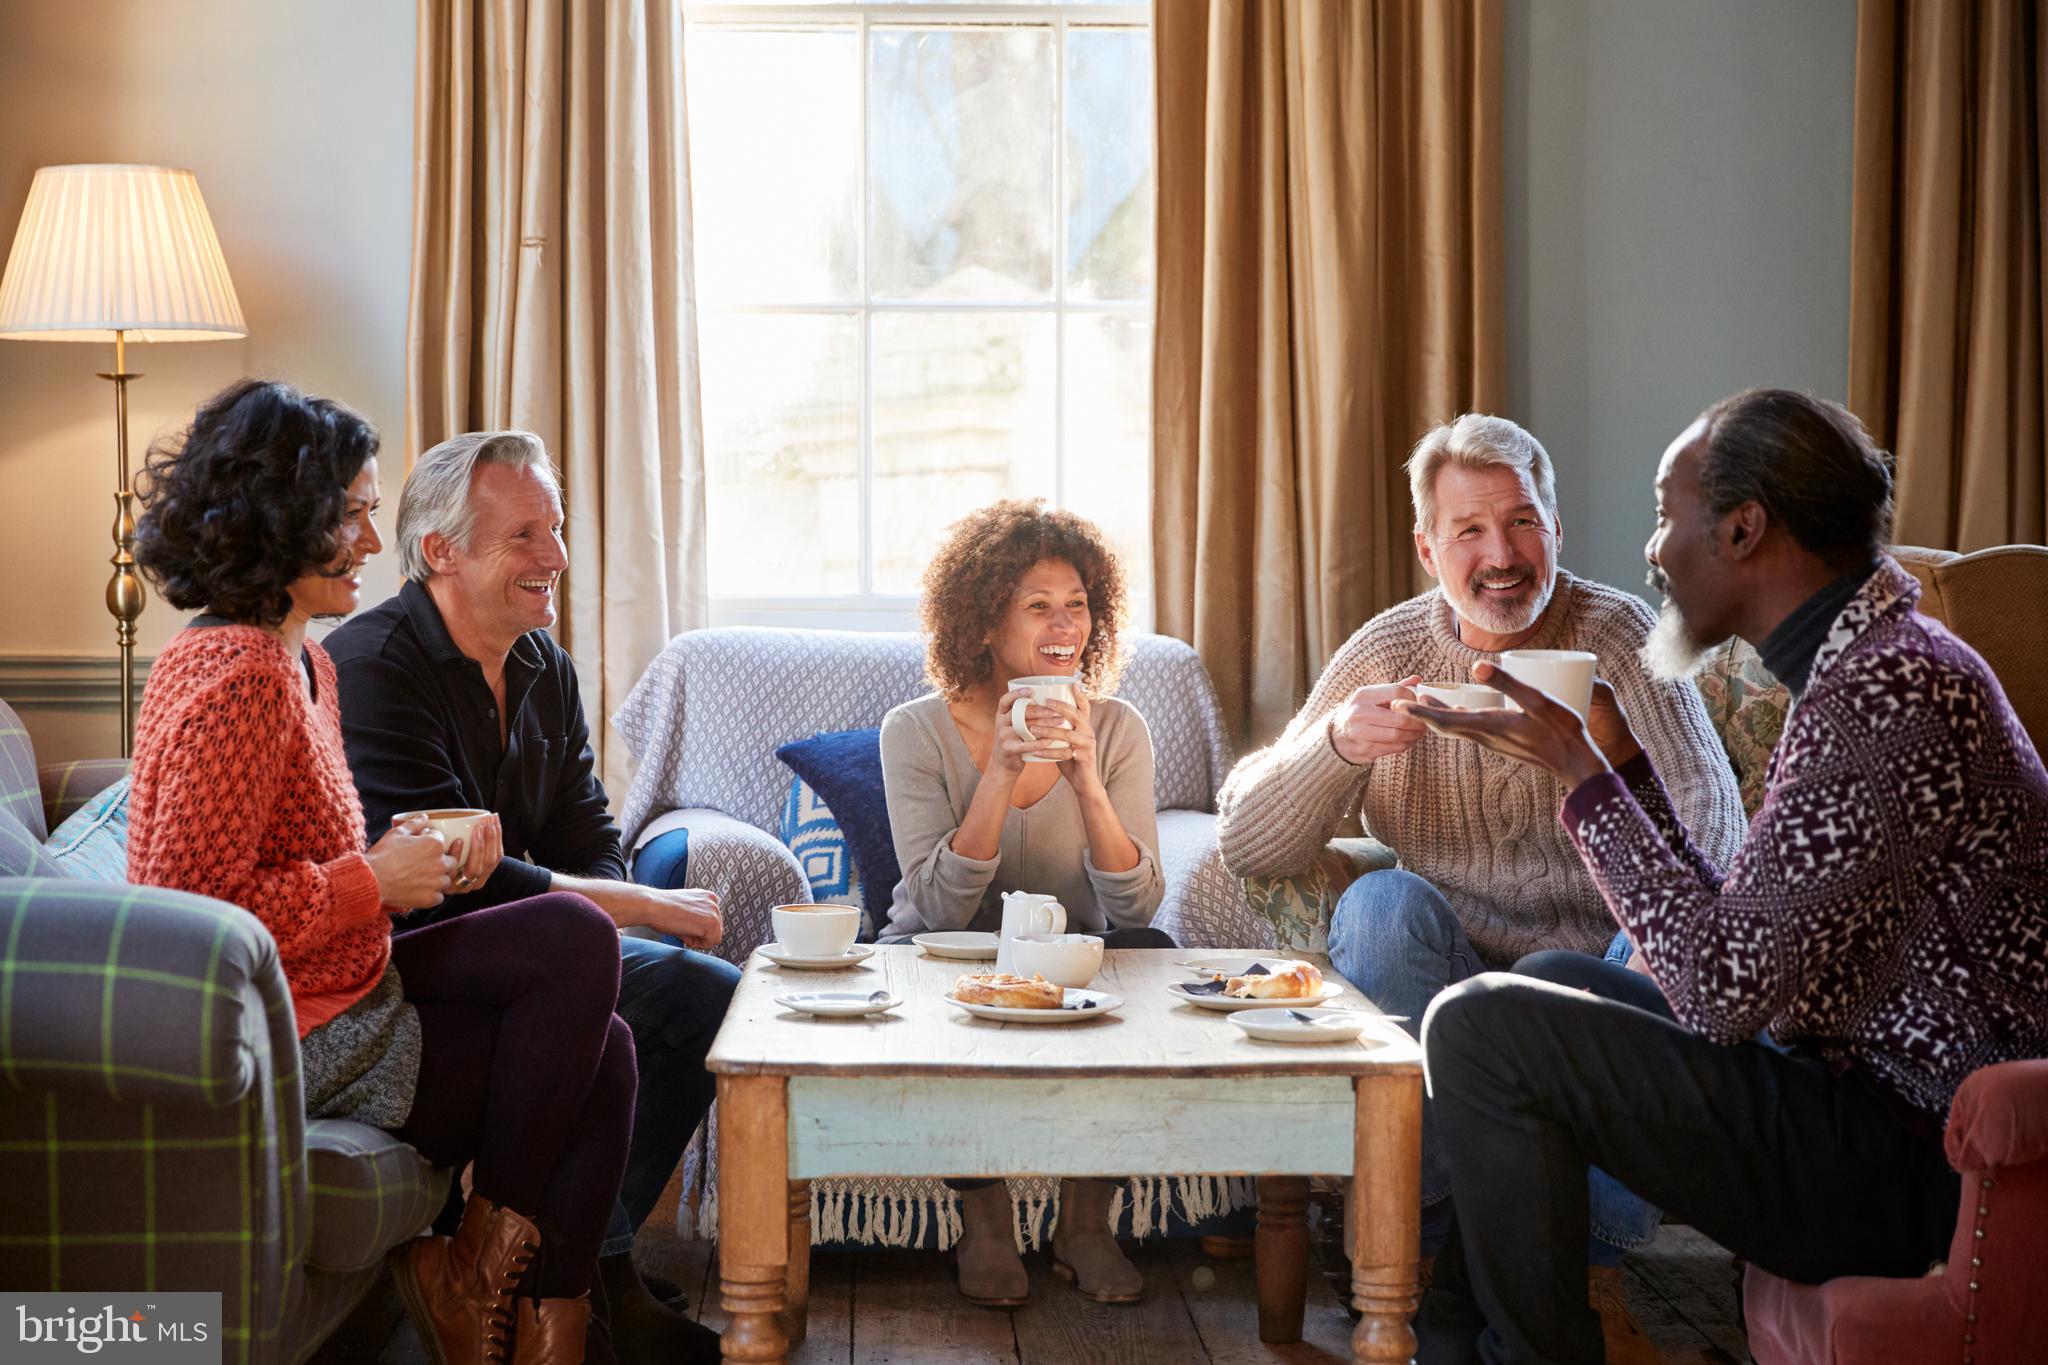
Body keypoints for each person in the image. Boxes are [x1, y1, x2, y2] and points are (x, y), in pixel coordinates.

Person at [1406, 388, 2048, 1363]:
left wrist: (1583, 779)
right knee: (1543, 981)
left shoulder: (1885, 693)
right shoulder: (1867, 665)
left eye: (1669, 516)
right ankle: (1451, 1338)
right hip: (1858, 1099)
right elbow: (1745, 936)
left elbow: (1718, 993)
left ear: (1744, 529)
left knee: (1477, 1023)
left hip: (1913, 1156)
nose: (1655, 550)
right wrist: (1619, 766)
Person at [127, 379, 631, 1365]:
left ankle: (533, 1322)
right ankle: (488, 1288)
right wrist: (372, 882)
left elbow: (300, 856)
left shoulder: (301, 662)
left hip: (342, 986)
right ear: (285, 518)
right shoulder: (236, 678)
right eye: (351, 512)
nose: (370, 540)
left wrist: (414, 846)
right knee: (577, 954)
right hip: (289, 1036)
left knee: (598, 1024)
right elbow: (191, 925)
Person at [1214, 414, 1746, 1343]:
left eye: (1522, 521)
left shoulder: (1622, 636)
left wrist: (1616, 757)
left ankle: (1585, 1255)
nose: (1501, 554)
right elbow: (1249, 837)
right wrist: (1338, 746)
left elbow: (1718, 822)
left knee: (1666, 940)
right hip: (1447, 977)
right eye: (1469, 529)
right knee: (1380, 907)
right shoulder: (1389, 649)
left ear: (1557, 530)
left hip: (1593, 970)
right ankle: (1421, 1240)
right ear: (1428, 547)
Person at [324, 430, 736, 1365]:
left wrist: (624, 912)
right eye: (524, 536)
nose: (553, 556)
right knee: (605, 955)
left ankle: (586, 1266)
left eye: (555, 529)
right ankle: (577, 1288)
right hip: (418, 957)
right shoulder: (372, 666)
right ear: (441, 551)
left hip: (546, 958)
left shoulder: (545, 666)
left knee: (701, 994)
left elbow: (589, 834)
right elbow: (444, 879)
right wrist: (644, 912)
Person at [879, 499, 1174, 1308]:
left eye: (1076, 604)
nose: (1064, 624)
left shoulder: (1117, 728)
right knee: (914, 969)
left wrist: (1084, 780)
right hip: (943, 953)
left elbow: (1137, 900)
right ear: (982, 622)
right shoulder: (914, 731)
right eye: (1037, 605)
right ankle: (984, 1219)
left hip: (1067, 948)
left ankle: (1085, 1220)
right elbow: (936, 908)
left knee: (1156, 951)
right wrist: (1001, 775)